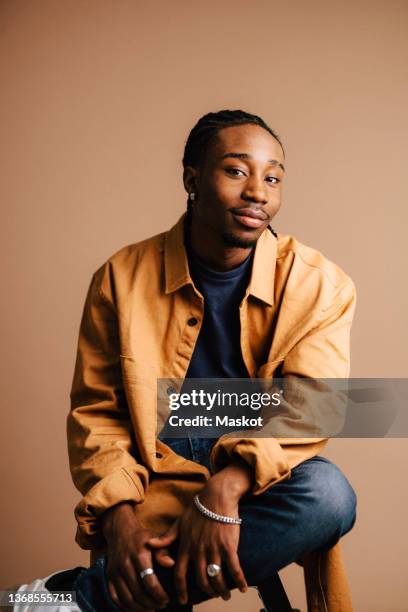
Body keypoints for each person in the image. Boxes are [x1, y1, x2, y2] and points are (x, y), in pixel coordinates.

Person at [31, 109, 357, 612]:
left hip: (255, 452)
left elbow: (315, 405)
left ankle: (79, 601)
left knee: (329, 495)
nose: (258, 192)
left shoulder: (320, 283)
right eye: (236, 170)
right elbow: (98, 413)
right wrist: (117, 520)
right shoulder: (119, 277)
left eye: (272, 177)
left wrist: (226, 486)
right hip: (154, 454)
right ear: (192, 178)